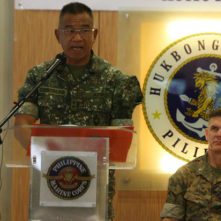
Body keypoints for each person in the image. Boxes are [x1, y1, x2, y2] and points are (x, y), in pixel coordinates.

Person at [14, 2, 143, 221]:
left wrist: (78, 160)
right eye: (70, 30)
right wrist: (54, 159)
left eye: (84, 30)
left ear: (95, 33)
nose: (77, 38)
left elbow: (122, 138)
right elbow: (22, 125)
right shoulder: (39, 76)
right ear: (58, 35)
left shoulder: (117, 81)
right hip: (49, 184)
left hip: (94, 190)